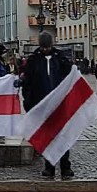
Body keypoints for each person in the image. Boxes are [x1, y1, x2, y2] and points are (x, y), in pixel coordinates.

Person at [22, 32, 74, 179]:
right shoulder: (33, 60)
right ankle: (49, 166)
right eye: (43, 47)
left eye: (48, 47)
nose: (46, 50)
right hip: (42, 103)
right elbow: (28, 82)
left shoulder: (60, 58)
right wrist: (29, 102)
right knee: (47, 137)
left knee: (63, 136)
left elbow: (70, 76)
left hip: (60, 103)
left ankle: (65, 166)